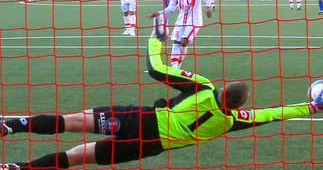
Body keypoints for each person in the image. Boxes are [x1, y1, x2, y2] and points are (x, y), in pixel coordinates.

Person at [1, 25, 323, 170]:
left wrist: (156, 35)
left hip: (139, 119)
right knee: (75, 158)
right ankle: (19, 168)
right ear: (239, 106)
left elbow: (156, 68)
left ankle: (10, 127)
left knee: (68, 122)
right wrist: (309, 107)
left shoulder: (203, 87)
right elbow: (272, 113)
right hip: (149, 147)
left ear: (223, 89)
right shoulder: (232, 122)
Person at [148, 0, 212, 69]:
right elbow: (171, 8)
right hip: (181, 20)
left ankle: (178, 65)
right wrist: (158, 13)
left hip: (194, 19)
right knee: (176, 42)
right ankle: (174, 67)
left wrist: (208, 6)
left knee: (184, 41)